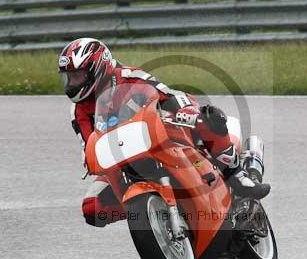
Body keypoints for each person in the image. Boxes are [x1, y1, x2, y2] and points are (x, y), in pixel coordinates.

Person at [59, 37, 270, 228]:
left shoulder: (131, 77)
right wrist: (90, 158)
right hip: (120, 157)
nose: (71, 84)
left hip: (157, 136)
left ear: (97, 68)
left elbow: (169, 96)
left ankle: (237, 175)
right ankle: (147, 213)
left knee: (210, 117)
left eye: (77, 76)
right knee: (92, 209)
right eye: (68, 78)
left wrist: (186, 112)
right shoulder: (77, 110)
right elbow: (89, 142)